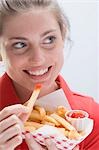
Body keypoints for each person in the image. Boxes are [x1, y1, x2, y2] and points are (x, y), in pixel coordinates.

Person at [0, 0, 99, 149]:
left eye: (49, 39)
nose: (38, 59)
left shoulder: (91, 119)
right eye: (20, 44)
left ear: (63, 36)